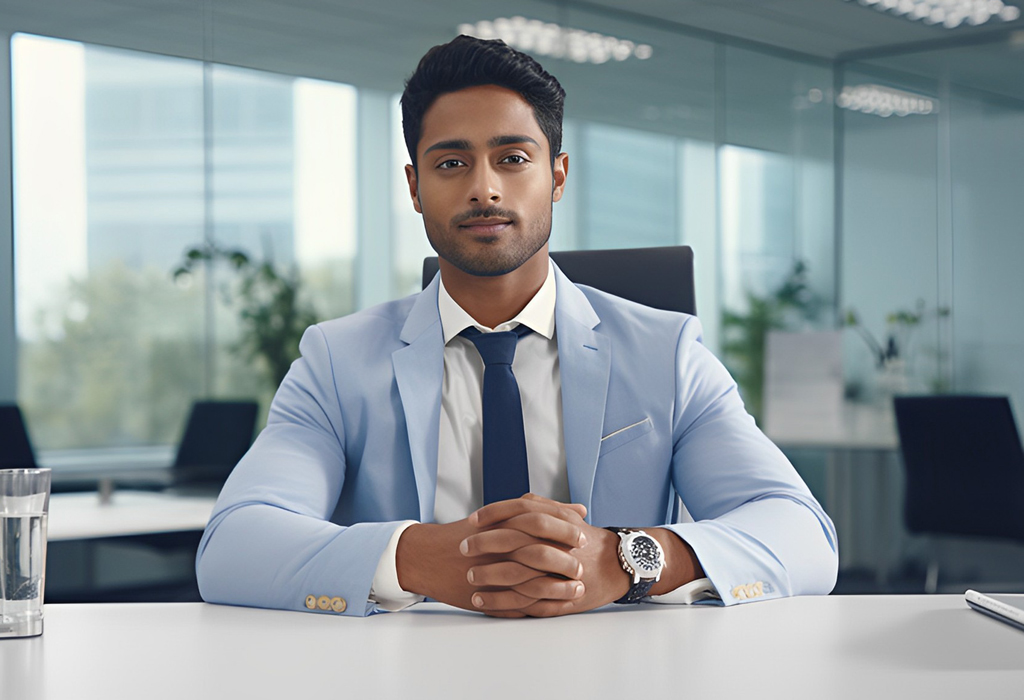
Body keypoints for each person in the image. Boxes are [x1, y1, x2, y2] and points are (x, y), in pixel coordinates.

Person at [196, 35, 838, 618]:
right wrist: (417, 557)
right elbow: (235, 543)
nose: (485, 189)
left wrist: (626, 560)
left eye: (512, 158)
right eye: (451, 164)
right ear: (415, 187)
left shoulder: (666, 353)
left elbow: (802, 533)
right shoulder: (337, 359)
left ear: (556, 176)